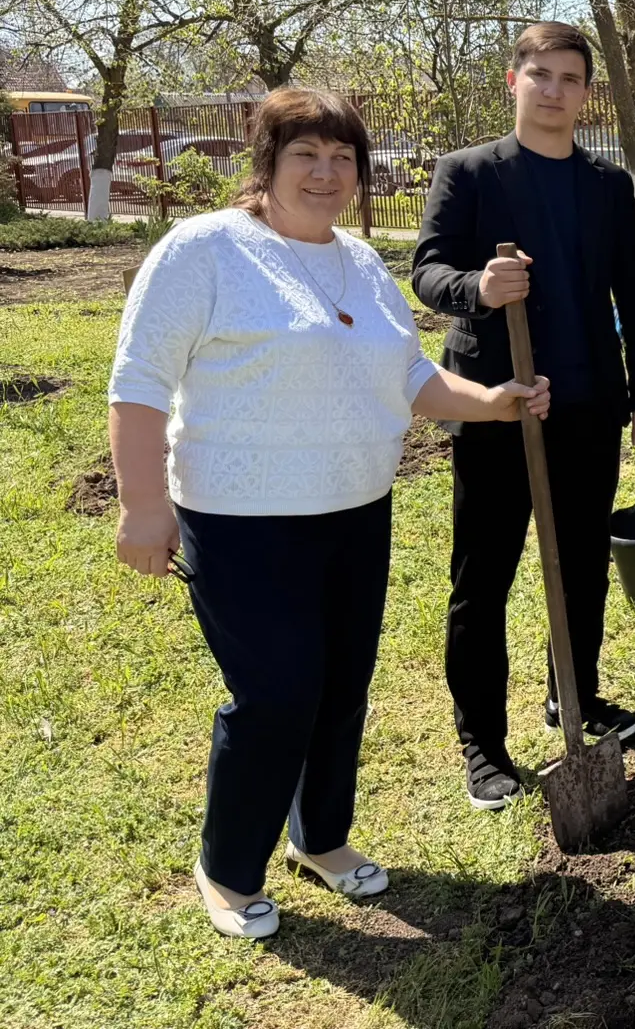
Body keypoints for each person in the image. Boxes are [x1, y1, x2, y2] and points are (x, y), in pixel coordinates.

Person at [110, 88, 551, 939]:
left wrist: (492, 402)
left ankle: (321, 839)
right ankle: (228, 868)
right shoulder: (206, 250)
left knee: (342, 686)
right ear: (267, 162)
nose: (325, 172)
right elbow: (138, 383)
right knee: (277, 693)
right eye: (305, 154)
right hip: (241, 519)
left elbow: (410, 376)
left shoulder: (359, 261)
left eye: (342, 157)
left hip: (355, 509)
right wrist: (142, 506)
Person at [413, 21, 635, 812]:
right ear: (513, 81)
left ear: (586, 94)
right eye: (540, 74)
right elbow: (427, 269)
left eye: (570, 79)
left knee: (583, 563)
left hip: (588, 406)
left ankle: (575, 697)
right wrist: (478, 289)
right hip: (498, 406)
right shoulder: (469, 173)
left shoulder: (606, 185)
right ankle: (482, 745)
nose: (554, 90)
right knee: (483, 577)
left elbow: (632, 292)